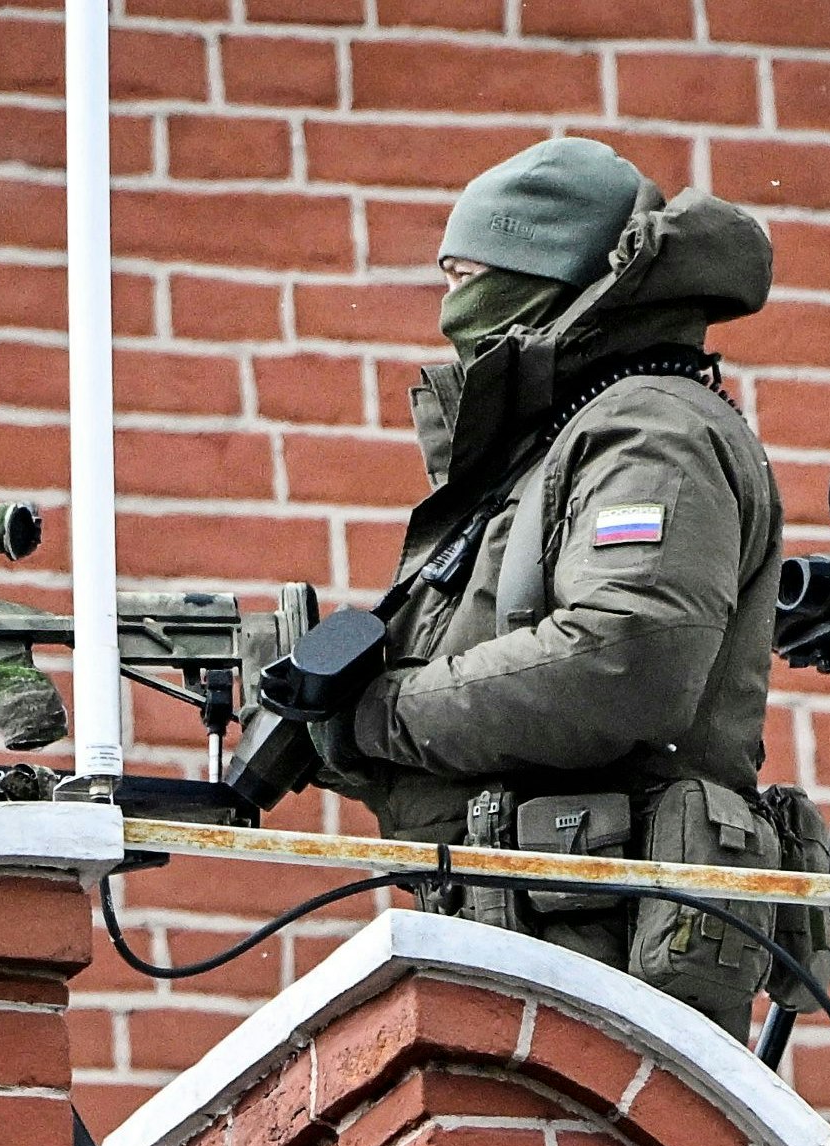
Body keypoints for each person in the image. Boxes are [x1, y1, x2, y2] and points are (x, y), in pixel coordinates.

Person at [321, 137, 798, 1035]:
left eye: (468, 276)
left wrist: (383, 711)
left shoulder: (648, 427)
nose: (450, 308)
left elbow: (626, 655)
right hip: (533, 936)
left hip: (603, 956)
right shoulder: (554, 445)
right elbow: (478, 710)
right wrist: (327, 724)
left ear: (544, 273)